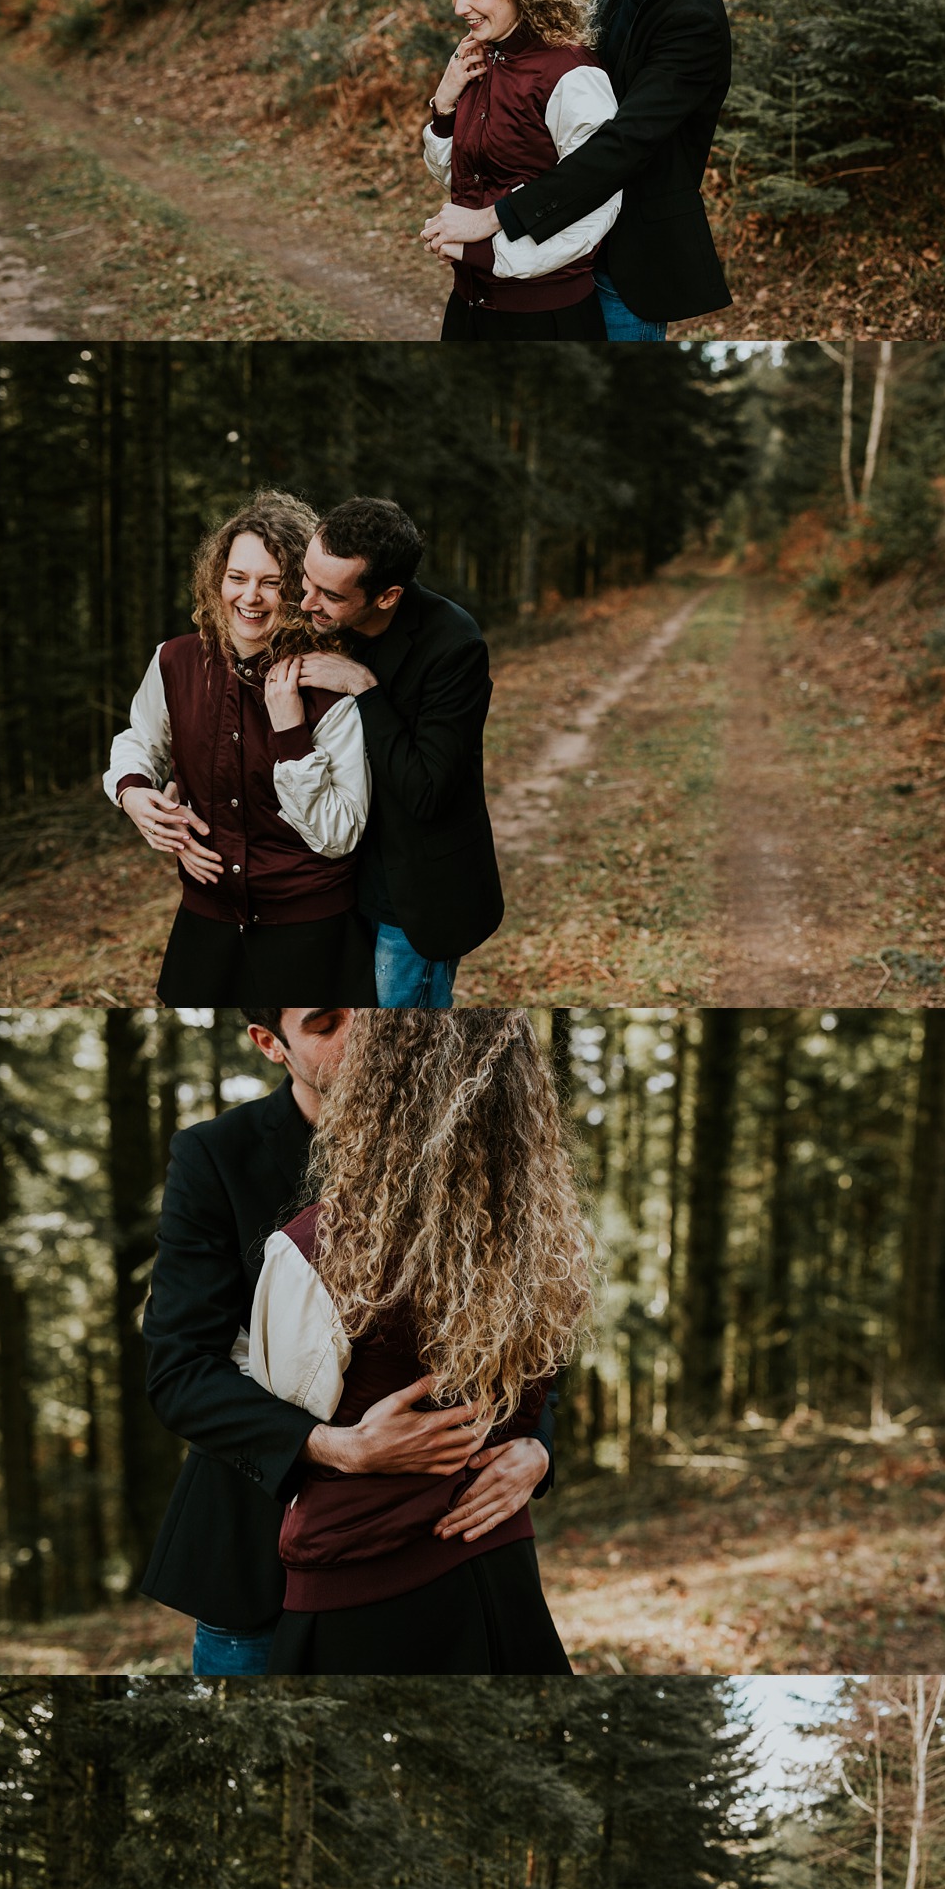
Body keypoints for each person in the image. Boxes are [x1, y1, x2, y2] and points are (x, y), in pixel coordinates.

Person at [142, 1007, 556, 1677]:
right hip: (257, 1561)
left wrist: (537, 1449)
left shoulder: (458, 1136)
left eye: (371, 1015)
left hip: (442, 1550)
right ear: (270, 1044)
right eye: (327, 1024)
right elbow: (179, 1373)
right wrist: (339, 1448)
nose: (363, 1037)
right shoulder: (216, 1155)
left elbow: (518, 1334)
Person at [248, 1008, 592, 1673]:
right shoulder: (549, 1240)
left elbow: (275, 1405)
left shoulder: (316, 1247)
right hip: (500, 1564)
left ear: (383, 1085)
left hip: (365, 1591)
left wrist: (534, 1454)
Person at [422, 0, 732, 344]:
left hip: (628, 262)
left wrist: (493, 220)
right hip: (565, 250)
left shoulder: (691, 15)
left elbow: (622, 144)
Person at [104, 490, 375, 1007]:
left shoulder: (330, 685)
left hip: (312, 934)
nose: (250, 596)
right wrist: (135, 795)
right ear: (217, 578)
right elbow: (139, 741)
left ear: (299, 590)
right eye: (237, 577)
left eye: (271, 583)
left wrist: (292, 735)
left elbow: (340, 835)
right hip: (206, 926)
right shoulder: (174, 661)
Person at [294, 496, 504, 1006]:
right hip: (330, 885)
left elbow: (427, 790)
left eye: (328, 594)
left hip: (409, 898)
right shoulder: (311, 620)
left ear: (387, 597)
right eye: (306, 580)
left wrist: (365, 690)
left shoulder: (455, 647)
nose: (305, 603)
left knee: (403, 1048)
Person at [420, 0, 621, 340]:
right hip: (468, 307)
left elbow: (596, 202)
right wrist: (444, 107)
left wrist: (487, 253)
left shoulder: (571, 74)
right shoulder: (481, 55)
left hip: (546, 319)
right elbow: (462, 178)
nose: (459, 7)